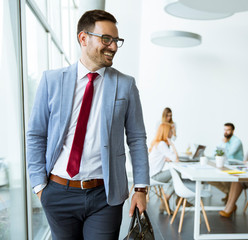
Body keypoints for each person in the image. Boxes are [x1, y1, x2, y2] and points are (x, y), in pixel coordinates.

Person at [26, 10, 149, 240]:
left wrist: (141, 188)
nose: (113, 47)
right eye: (106, 39)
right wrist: (39, 187)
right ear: (83, 38)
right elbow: (36, 135)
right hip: (57, 192)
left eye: (116, 41)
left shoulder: (126, 85)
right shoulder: (51, 81)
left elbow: (136, 138)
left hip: (105, 196)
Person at [209, 123, 244, 200]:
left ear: (232, 131)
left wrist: (224, 144)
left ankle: (230, 195)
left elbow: (228, 154)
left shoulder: (236, 141)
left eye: (228, 130)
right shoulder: (224, 140)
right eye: (225, 130)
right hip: (226, 165)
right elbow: (216, 152)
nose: (226, 132)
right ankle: (229, 192)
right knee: (209, 178)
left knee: (223, 178)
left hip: (236, 166)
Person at [149, 122, 179, 212]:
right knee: (176, 173)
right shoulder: (162, 144)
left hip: (150, 175)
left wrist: (166, 158)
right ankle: (166, 200)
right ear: (166, 132)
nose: (172, 133)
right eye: (170, 131)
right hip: (153, 177)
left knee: (174, 179)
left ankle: (168, 202)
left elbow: (169, 157)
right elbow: (176, 158)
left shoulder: (158, 143)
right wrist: (172, 144)